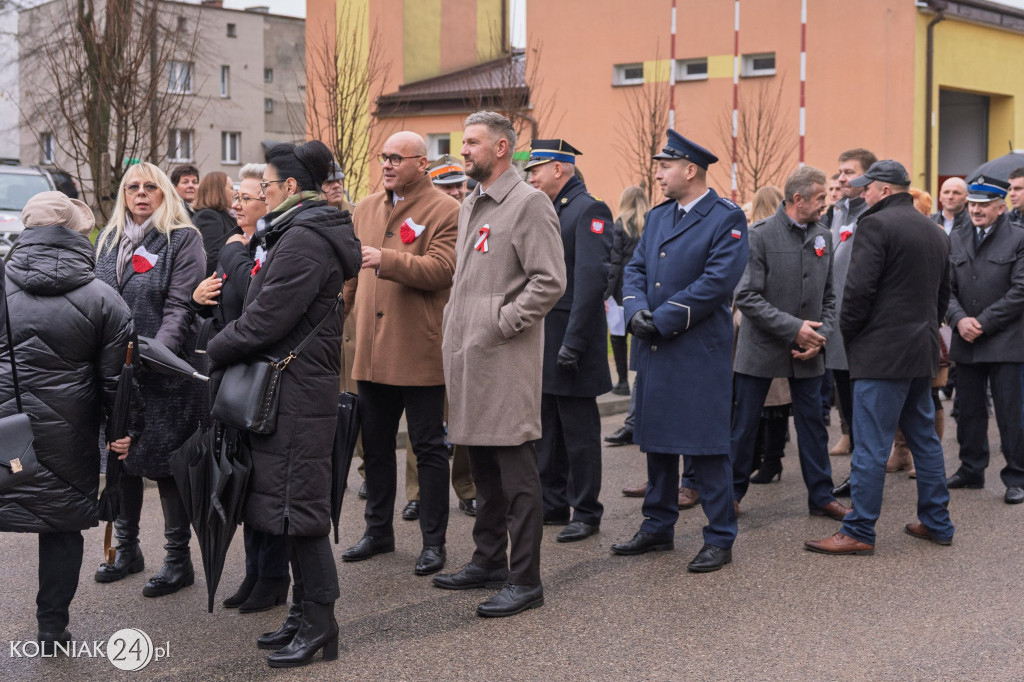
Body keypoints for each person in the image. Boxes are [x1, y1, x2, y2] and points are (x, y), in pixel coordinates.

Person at [207, 140, 361, 668]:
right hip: (291, 389)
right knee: (289, 508)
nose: (261, 194)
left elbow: (267, 317)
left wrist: (216, 349)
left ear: (291, 188)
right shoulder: (298, 231)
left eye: (266, 186)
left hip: (297, 393)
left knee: (302, 511)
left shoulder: (304, 240)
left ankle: (321, 622)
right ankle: (303, 614)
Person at [433, 111, 566, 617]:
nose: (463, 150)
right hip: (469, 356)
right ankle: (488, 560)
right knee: (482, 467)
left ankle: (525, 578)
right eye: (463, 142)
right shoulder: (471, 202)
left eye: (472, 143)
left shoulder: (529, 203)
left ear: (503, 148)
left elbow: (549, 280)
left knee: (516, 474)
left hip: (504, 356)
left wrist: (501, 322)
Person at [0, 192, 140, 654]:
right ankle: (50, 628)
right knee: (61, 529)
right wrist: (121, 432)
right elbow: (116, 382)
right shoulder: (105, 298)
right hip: (70, 433)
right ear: (79, 234)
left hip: (3, 430)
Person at [610, 129, 748, 573]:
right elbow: (635, 269)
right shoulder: (658, 216)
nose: (659, 174)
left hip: (695, 349)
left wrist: (663, 318)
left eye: (665, 166)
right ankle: (657, 525)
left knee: (706, 448)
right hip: (655, 345)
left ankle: (720, 536)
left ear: (690, 169)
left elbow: (716, 282)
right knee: (659, 443)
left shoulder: (725, 218)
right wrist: (635, 312)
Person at [805, 160, 954, 554]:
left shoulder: (875, 224)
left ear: (885, 190)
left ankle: (858, 531)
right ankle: (938, 521)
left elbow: (857, 293)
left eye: (867, 187)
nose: (863, 192)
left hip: (881, 354)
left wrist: (850, 338)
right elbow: (942, 296)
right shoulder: (934, 230)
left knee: (870, 445)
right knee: (924, 441)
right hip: (919, 350)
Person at [341, 131, 459, 578]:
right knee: (375, 447)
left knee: (428, 448)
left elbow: (442, 270)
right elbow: (351, 275)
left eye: (397, 158)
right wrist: (338, 312)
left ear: (421, 163)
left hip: (418, 349)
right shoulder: (367, 207)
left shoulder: (445, 209)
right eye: (383, 157)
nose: (387, 164)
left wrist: (386, 259)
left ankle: (433, 543)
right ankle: (378, 532)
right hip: (371, 351)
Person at [93, 163, 206, 599]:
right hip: (115, 373)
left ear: (165, 194)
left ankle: (178, 561)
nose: (141, 194)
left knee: (165, 466)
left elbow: (182, 306)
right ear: (123, 194)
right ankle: (127, 550)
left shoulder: (183, 238)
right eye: (132, 187)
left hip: (164, 371)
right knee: (122, 458)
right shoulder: (108, 241)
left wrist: (155, 354)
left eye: (150, 187)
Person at [193, 164, 292, 614]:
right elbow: (217, 308)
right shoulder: (237, 246)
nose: (235, 204)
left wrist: (232, 253)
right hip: (231, 376)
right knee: (244, 482)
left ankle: (273, 578)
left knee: (267, 485)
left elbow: (255, 293)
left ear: (267, 203)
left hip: (263, 380)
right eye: (235, 196)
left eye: (246, 197)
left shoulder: (268, 247)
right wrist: (198, 301)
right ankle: (254, 572)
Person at [730, 166, 848, 520]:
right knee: (745, 425)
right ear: (798, 199)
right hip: (761, 348)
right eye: (820, 198)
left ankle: (821, 497)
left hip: (808, 350)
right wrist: (794, 328)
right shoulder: (759, 235)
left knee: (813, 426)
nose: (826, 204)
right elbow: (746, 297)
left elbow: (829, 297)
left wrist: (820, 336)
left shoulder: (824, 236)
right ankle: (731, 495)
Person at [525, 138, 613, 543]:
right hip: (546, 336)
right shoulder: (552, 208)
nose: (531, 177)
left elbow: (591, 283)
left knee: (578, 434)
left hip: (573, 340)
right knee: (548, 429)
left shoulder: (588, 209)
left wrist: (574, 344)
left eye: (536, 169)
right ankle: (554, 502)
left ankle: (586, 510)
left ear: (558, 168)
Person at [944, 175, 1024, 505]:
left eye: (983, 205)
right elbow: (944, 289)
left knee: (1010, 413)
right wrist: (959, 319)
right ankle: (971, 469)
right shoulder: (957, 238)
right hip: (966, 339)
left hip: (1006, 340)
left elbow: (1021, 290)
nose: (975, 210)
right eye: (973, 204)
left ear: (1000, 207)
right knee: (970, 411)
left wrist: (984, 322)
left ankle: (1017, 476)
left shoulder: (1018, 238)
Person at [826, 148, 878, 487]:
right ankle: (859, 477)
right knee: (847, 407)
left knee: (868, 413)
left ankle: (867, 478)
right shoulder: (837, 212)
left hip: (863, 333)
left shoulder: (872, 216)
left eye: (849, 172)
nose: (842, 178)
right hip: (836, 332)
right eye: (840, 172)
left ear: (867, 178)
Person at [605, 186, 649, 400]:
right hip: (645, 289)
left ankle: (622, 381)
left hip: (622, 288)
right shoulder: (650, 224)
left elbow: (614, 261)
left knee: (618, 335)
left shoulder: (620, 225)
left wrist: (607, 293)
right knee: (641, 334)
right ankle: (641, 380)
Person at [192, 171, 238, 276]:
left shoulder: (221, 215)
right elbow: (212, 257)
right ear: (219, 191)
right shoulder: (209, 217)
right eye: (231, 188)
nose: (234, 193)